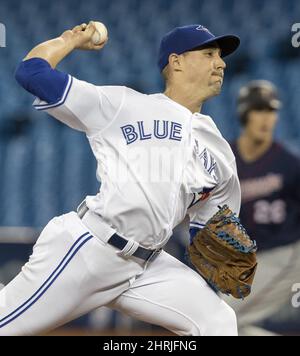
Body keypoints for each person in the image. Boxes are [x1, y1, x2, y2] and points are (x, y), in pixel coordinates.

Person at [0, 22, 241, 336]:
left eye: (220, 56)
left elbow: (211, 227)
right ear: (176, 61)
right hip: (90, 250)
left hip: (147, 267)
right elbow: (32, 73)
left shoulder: (218, 149)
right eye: (209, 53)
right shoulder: (125, 105)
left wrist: (216, 265)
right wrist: (68, 40)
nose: (220, 63)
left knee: (217, 322)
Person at [223, 80, 300, 335]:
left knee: (220, 317)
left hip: (285, 256)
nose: (265, 118)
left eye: (271, 110)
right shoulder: (225, 159)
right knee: (236, 328)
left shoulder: (289, 164)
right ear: (244, 114)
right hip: (247, 261)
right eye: (258, 110)